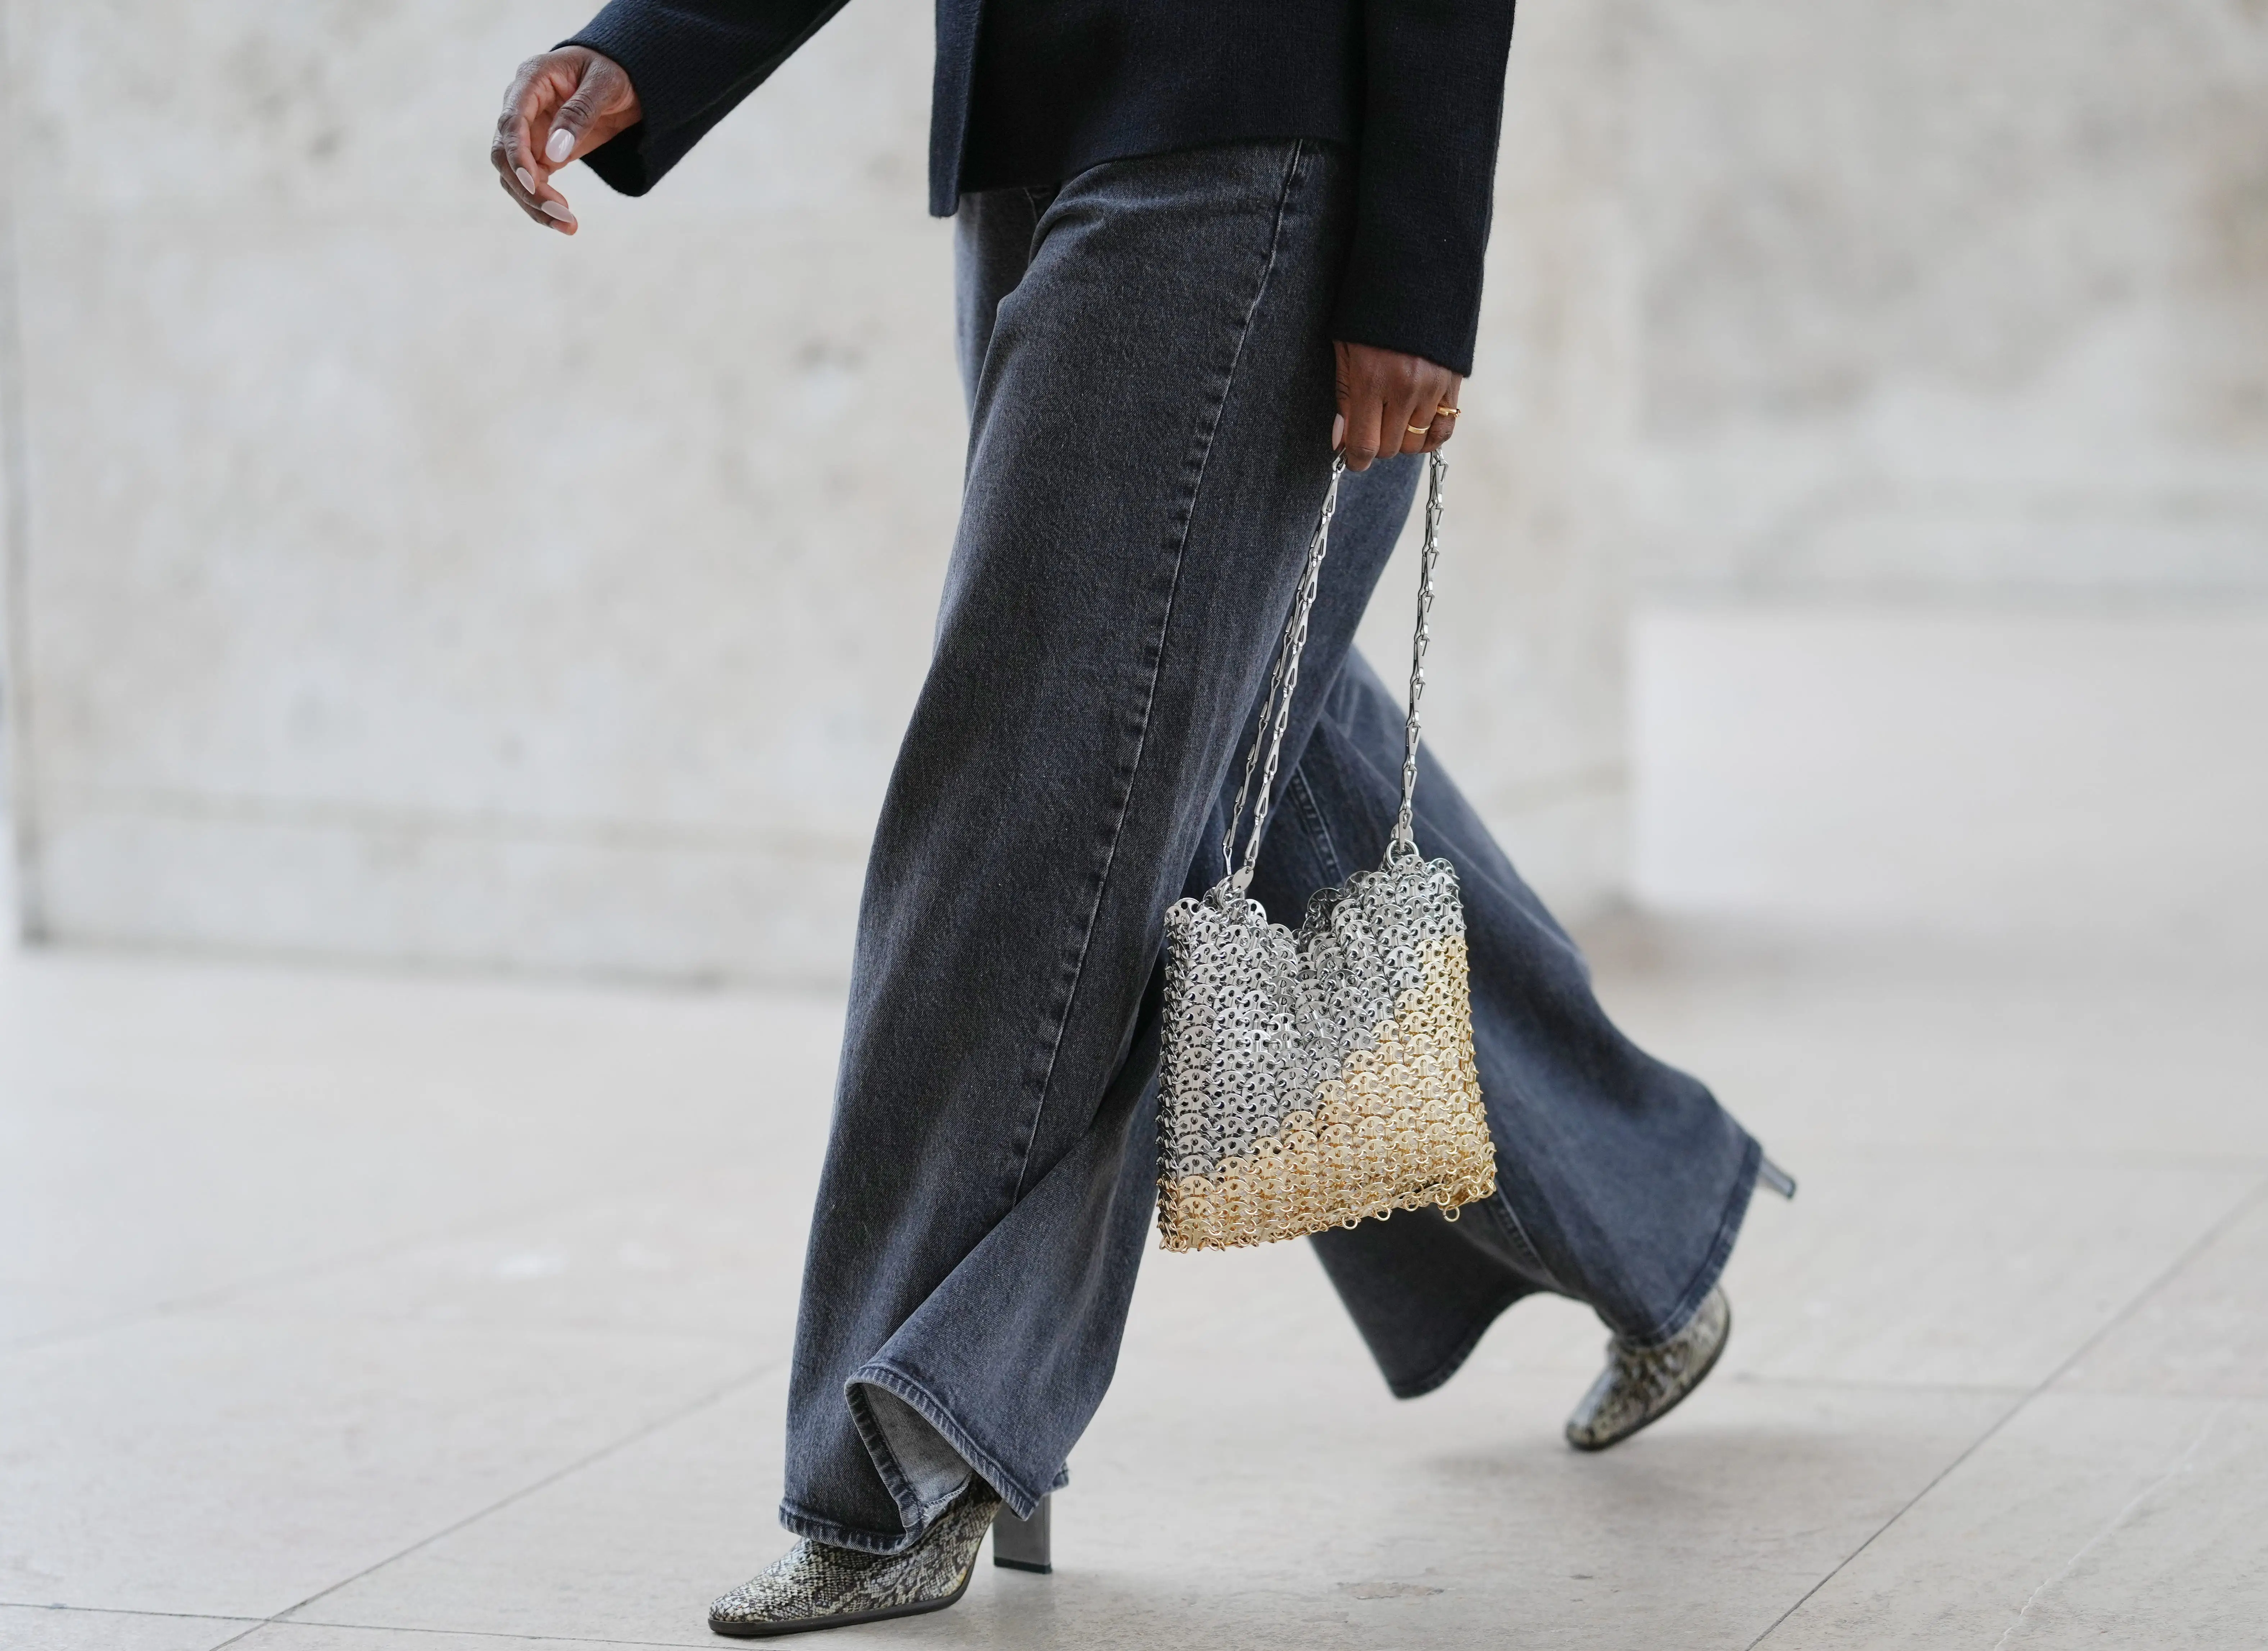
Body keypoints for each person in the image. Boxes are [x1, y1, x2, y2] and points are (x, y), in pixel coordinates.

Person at [491, 4, 1782, 1636]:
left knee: (1028, 820)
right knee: (1232, 761)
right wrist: (662, 43)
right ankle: (1646, 1209)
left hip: (1254, 140)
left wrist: (1414, 271)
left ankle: (902, 1452)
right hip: (1035, 145)